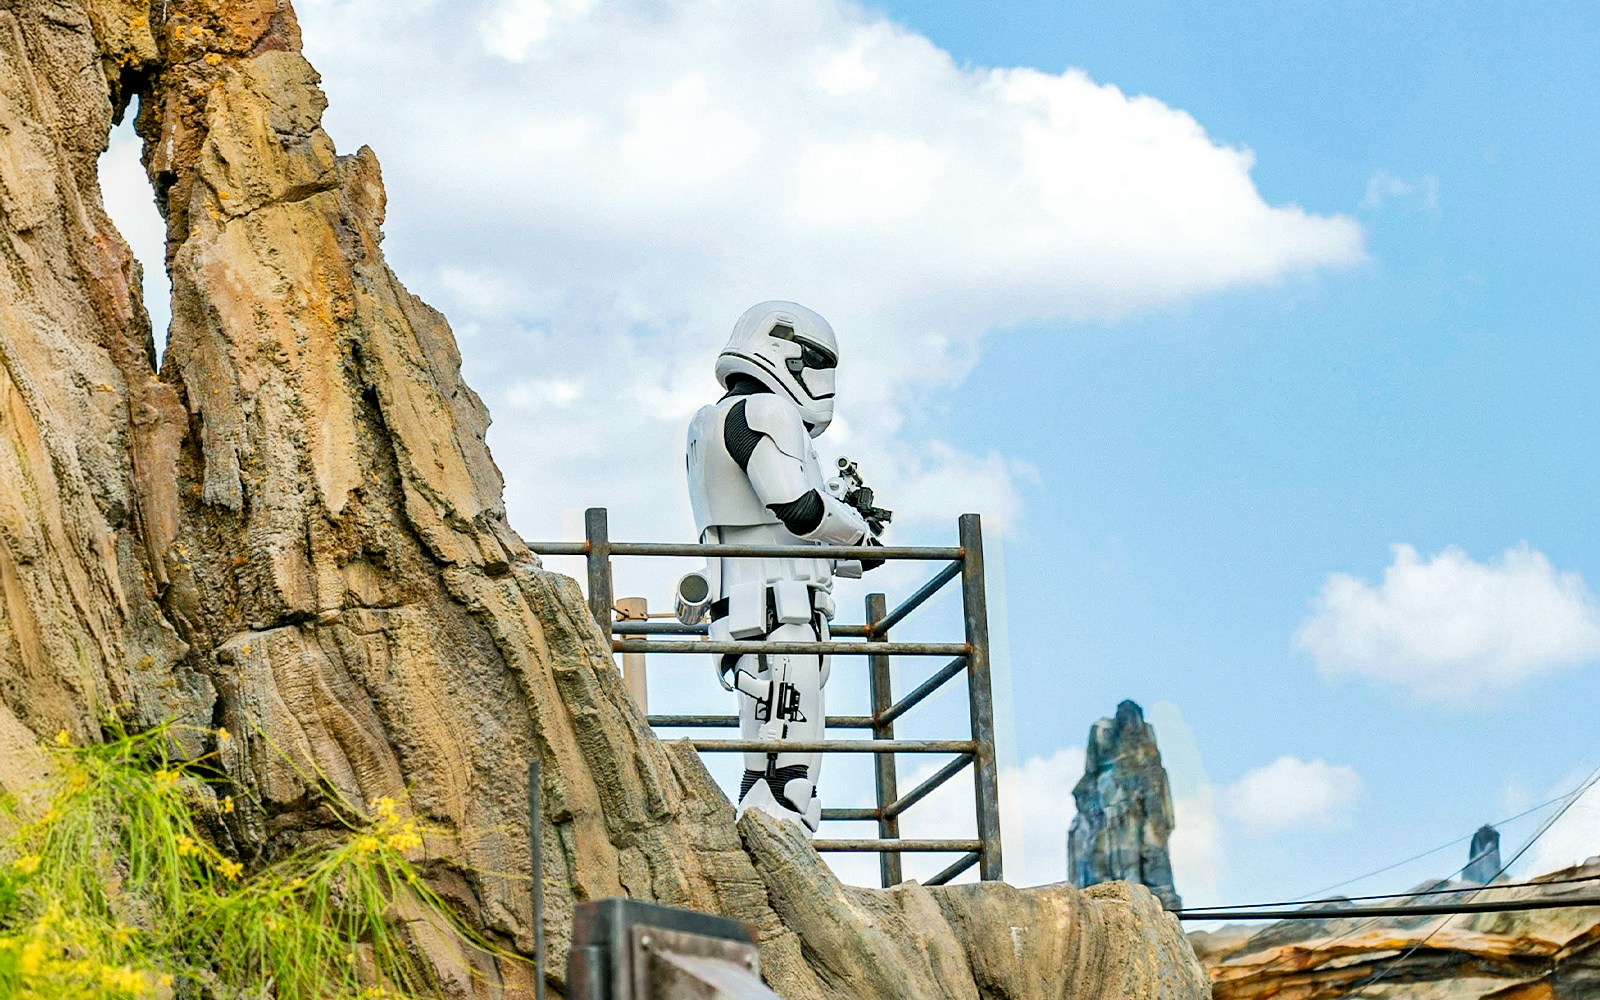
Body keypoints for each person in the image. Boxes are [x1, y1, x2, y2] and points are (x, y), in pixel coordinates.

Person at [682, 301, 882, 834]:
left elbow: (775, 525)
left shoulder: (708, 424)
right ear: (789, 354)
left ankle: (765, 866)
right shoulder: (764, 413)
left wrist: (847, 541)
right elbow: (797, 509)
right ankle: (784, 879)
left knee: (764, 765)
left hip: (751, 610)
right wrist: (854, 527)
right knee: (789, 777)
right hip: (782, 614)